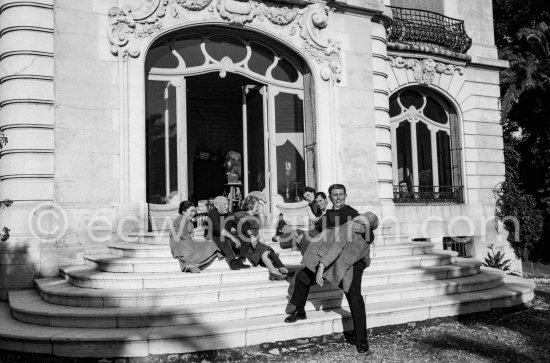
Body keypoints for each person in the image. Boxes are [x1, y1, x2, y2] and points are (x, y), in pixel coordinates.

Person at [284, 184, 378, 354]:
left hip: (351, 260)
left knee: (353, 294)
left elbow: (370, 236)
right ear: (329, 197)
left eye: (341, 194)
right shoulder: (326, 215)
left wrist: (365, 229)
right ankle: (299, 310)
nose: (338, 197)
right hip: (330, 258)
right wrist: (303, 236)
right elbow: (319, 236)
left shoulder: (353, 213)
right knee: (303, 277)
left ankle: (362, 339)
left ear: (345, 195)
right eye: (335, 195)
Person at [234, 195, 295, 281]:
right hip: (246, 242)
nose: (258, 208)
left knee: (267, 249)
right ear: (250, 205)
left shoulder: (256, 216)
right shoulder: (240, 214)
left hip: (255, 241)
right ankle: (275, 271)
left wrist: (257, 237)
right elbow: (238, 227)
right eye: (256, 206)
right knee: (265, 249)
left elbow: (259, 231)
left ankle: (282, 270)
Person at [169, 201, 222, 273]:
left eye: (194, 211)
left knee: (212, 246)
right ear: (184, 211)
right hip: (180, 243)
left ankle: (189, 266)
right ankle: (192, 265)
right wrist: (197, 241)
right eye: (191, 211)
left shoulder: (188, 220)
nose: (193, 213)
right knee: (211, 244)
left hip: (183, 243)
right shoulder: (181, 218)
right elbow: (182, 235)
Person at [207, 196, 251, 270]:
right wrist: (233, 237)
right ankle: (232, 261)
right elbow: (219, 230)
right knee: (222, 237)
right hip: (215, 239)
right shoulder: (212, 213)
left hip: (228, 239)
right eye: (224, 205)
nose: (227, 206)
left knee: (245, 235)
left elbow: (241, 225)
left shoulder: (229, 214)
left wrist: (251, 235)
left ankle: (240, 260)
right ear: (217, 206)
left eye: (227, 204)